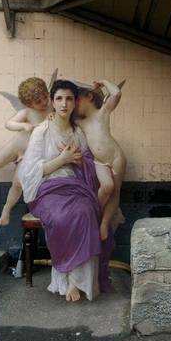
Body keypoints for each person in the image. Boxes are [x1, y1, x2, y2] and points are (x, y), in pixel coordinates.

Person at [18, 80, 112, 301]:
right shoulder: (41, 132)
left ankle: (78, 282)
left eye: (69, 98)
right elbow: (30, 173)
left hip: (75, 188)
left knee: (86, 211)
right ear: (52, 101)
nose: (64, 103)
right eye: (59, 98)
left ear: (75, 102)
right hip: (47, 191)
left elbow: (88, 165)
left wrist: (79, 162)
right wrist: (63, 159)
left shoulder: (78, 133)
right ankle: (67, 277)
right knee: (62, 217)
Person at [0, 77, 52, 226]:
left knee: (18, 183)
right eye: (38, 102)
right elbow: (8, 124)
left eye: (45, 97)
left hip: (30, 153)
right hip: (18, 145)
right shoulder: (27, 112)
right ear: (29, 104)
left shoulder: (52, 107)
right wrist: (23, 126)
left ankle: (7, 208)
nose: (44, 102)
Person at [76, 79, 127, 242]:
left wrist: (103, 82)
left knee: (115, 192)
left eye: (77, 100)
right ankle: (94, 213)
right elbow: (60, 114)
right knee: (107, 187)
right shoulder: (80, 122)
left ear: (89, 97)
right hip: (99, 162)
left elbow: (116, 93)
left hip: (117, 158)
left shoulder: (102, 112)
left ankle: (104, 224)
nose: (73, 106)